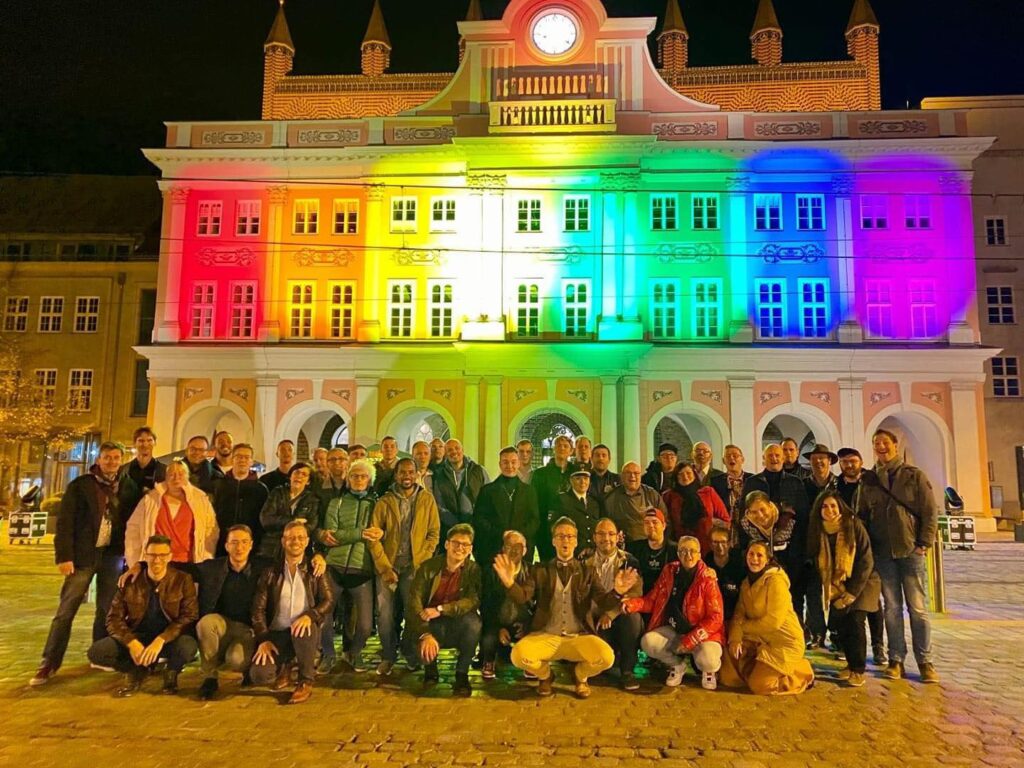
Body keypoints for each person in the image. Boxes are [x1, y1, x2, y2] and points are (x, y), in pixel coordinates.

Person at [30, 442, 139, 686]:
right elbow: (65, 522)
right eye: (107, 457)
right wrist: (64, 556)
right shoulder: (81, 485)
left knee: (107, 608)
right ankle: (49, 661)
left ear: (121, 460)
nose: (111, 462)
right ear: (98, 460)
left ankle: (98, 653)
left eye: (116, 457)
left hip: (112, 555)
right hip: (83, 555)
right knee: (67, 610)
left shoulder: (128, 486)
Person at [495, 517, 634, 699]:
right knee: (518, 655)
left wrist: (617, 592)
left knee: (607, 657)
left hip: (578, 637)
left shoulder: (588, 571)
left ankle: (580, 676)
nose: (565, 540)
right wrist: (510, 583)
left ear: (576, 541)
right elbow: (522, 596)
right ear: (553, 541)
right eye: (560, 536)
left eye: (570, 536)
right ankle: (546, 676)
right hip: (546, 635)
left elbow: (603, 602)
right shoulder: (540, 570)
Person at [856, 428, 939, 684]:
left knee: (918, 608)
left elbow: (930, 511)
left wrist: (923, 543)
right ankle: (896, 660)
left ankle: (925, 661)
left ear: (895, 445)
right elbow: (862, 516)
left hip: (910, 549)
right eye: (876, 443)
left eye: (885, 443)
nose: (881, 447)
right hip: (883, 552)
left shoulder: (914, 475)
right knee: (892, 608)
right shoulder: (869, 480)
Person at [87, 534, 198, 697]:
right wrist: (131, 642)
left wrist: (162, 639)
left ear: (170, 557)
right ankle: (135, 670)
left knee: (188, 647)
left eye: (162, 555)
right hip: (138, 636)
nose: (157, 560)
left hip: (168, 639)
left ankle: (171, 673)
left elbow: (189, 616)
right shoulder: (130, 580)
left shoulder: (182, 579)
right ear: (145, 556)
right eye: (152, 555)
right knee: (97, 652)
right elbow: (113, 618)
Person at [366, 458, 441, 676]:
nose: (406, 476)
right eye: (402, 472)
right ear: (396, 475)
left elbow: (433, 533)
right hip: (388, 566)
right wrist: (384, 568)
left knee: (413, 613)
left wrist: (422, 560)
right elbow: (373, 537)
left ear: (417, 474)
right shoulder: (385, 501)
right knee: (385, 615)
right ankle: (388, 655)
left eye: (410, 472)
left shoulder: (426, 499)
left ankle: (409, 653)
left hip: (414, 567)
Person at [622, 536, 725, 689]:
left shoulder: (707, 578)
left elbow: (716, 618)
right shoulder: (669, 571)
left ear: (699, 554)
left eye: (692, 551)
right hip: (675, 630)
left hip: (702, 635)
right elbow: (653, 600)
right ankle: (677, 665)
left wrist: (691, 639)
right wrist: (631, 604)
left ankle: (709, 672)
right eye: (683, 551)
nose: (688, 555)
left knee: (708, 659)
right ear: (677, 553)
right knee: (649, 642)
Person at [250, 520, 333, 704]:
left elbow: (328, 600)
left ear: (307, 541)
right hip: (278, 632)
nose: (296, 541)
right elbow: (258, 610)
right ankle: (285, 666)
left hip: (306, 631)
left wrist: (310, 615)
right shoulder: (271, 572)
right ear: (283, 541)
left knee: (302, 627)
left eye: (301, 537)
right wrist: (263, 639)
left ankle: (305, 680)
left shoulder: (315, 569)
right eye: (291, 538)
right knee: (259, 675)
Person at [720, 542, 815, 695]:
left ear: (768, 559)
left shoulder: (776, 581)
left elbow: (773, 622)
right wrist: (735, 637)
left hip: (783, 642)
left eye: (759, 555)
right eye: (751, 554)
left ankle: (801, 671)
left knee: (761, 686)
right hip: (759, 638)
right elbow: (739, 613)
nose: (754, 559)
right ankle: (757, 669)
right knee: (728, 675)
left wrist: (743, 627)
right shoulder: (746, 583)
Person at [807, 492, 881, 687]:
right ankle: (850, 663)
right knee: (841, 624)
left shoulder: (853, 525)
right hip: (836, 585)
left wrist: (852, 592)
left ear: (840, 507)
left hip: (863, 582)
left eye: (833, 506)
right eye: (824, 506)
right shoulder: (819, 530)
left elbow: (866, 559)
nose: (829, 510)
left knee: (855, 621)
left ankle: (858, 669)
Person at [195, 524, 270, 700]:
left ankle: (246, 669)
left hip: (248, 629)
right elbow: (183, 568)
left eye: (244, 542)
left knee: (236, 659)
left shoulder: (263, 567)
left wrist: (318, 557)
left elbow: (292, 560)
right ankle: (210, 677)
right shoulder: (213, 567)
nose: (239, 547)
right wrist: (142, 565)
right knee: (206, 623)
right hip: (222, 623)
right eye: (234, 542)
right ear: (227, 546)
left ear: (251, 545)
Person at [407, 523, 482, 695]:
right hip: (430, 621)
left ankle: (462, 674)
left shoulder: (473, 570)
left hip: (455, 620)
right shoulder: (428, 567)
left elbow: (472, 601)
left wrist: (442, 609)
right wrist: (425, 633)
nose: (460, 548)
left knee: (474, 624)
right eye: (456, 543)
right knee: (417, 633)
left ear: (470, 549)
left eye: (465, 545)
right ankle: (430, 670)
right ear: (447, 544)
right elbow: (414, 601)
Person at [318, 459, 378, 673]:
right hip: (334, 566)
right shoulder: (337, 503)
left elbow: (378, 533)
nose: (359, 479)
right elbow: (332, 535)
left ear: (370, 480)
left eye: (363, 476)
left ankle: (353, 652)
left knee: (365, 624)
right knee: (324, 615)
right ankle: (328, 654)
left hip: (362, 568)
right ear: (348, 479)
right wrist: (361, 533)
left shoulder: (376, 505)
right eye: (354, 476)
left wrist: (353, 535)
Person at [123, 460, 219, 581]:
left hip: (188, 563)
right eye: (171, 474)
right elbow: (133, 530)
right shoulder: (150, 500)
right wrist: (135, 561)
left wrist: (205, 558)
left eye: (181, 474)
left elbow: (211, 531)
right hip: (157, 563)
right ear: (166, 477)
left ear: (188, 476)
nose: (176, 477)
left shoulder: (201, 500)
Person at [836, 446, 887, 665]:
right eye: (845, 462)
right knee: (845, 597)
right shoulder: (836, 485)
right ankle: (846, 644)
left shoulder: (871, 483)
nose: (849, 465)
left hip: (871, 545)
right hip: (846, 548)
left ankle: (878, 645)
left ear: (861, 462)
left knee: (873, 600)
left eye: (853, 461)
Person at [583, 518, 643, 690]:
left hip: (619, 613)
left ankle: (627, 671)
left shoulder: (629, 561)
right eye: (601, 534)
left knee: (633, 617)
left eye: (611, 534)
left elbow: (635, 593)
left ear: (618, 537)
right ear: (594, 537)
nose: (606, 538)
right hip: (594, 615)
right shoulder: (584, 560)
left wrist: (610, 613)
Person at [799, 444, 839, 648]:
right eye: (814, 459)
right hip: (812, 544)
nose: (818, 462)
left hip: (835, 544)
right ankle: (817, 633)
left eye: (822, 458)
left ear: (829, 461)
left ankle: (836, 633)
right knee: (813, 591)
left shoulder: (838, 484)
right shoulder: (803, 485)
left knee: (837, 590)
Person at [479, 530, 533, 680]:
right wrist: (498, 627)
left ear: (525, 550)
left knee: (535, 634)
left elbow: (534, 602)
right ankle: (488, 661)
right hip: (497, 621)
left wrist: (528, 624)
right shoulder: (490, 571)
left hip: (521, 621)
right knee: (488, 636)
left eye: (518, 546)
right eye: (509, 546)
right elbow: (485, 605)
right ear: (503, 549)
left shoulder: (531, 571)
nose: (514, 550)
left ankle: (530, 661)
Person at [473, 447, 539, 565]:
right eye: (505, 462)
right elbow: (479, 519)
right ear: (500, 464)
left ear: (518, 463)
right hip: (493, 548)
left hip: (521, 548)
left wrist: (517, 536)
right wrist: (502, 534)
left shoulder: (529, 491)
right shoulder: (487, 491)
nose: (510, 466)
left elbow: (534, 520)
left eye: (513, 462)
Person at [212, 443, 269, 555]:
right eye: (239, 456)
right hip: (222, 543)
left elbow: (263, 519)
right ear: (232, 459)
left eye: (246, 457)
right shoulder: (219, 486)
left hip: (250, 545)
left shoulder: (261, 489)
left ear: (251, 461)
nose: (242, 460)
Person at [663, 462, 730, 554]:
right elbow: (666, 522)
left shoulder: (708, 492)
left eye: (688, 473)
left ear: (694, 475)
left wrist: (710, 521)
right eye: (680, 474)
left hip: (708, 545)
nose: (685, 477)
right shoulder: (669, 496)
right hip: (682, 547)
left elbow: (726, 520)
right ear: (676, 477)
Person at [257, 462, 320, 560]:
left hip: (298, 547)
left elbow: (311, 525)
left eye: (304, 474)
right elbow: (266, 519)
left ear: (308, 481)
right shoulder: (277, 493)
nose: (299, 476)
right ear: (290, 476)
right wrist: (293, 521)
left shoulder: (312, 500)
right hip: (272, 547)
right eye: (296, 472)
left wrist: (293, 532)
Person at [434, 438, 489, 543]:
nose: (454, 452)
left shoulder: (479, 471)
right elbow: (439, 504)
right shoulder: (440, 475)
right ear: (445, 453)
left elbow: (488, 498)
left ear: (462, 450)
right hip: (451, 529)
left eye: (457, 448)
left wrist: (478, 520)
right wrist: (456, 524)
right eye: (450, 450)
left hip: (477, 526)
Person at [530, 435, 577, 557]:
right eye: (559, 445)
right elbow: (534, 502)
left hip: (571, 528)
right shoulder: (540, 474)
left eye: (565, 446)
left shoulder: (576, 473)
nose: (562, 448)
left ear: (571, 450)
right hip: (546, 528)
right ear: (553, 449)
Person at [605, 462, 667, 542]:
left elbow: (664, 520)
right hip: (622, 544)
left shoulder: (652, 494)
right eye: (628, 473)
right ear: (622, 476)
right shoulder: (611, 497)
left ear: (640, 476)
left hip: (648, 543)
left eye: (636, 473)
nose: (632, 476)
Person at [625, 508, 677, 595]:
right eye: (647, 523)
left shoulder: (675, 550)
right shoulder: (634, 548)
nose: (651, 525)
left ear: (663, 526)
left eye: (654, 522)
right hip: (641, 597)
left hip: (667, 597)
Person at [553, 469, 603, 556]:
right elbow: (556, 529)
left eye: (585, 478)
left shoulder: (594, 502)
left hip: (593, 554)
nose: (582, 482)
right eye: (578, 478)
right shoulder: (562, 500)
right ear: (571, 480)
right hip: (572, 554)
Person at [120, 426, 167, 515]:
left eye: (149, 440)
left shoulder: (164, 470)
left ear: (155, 443)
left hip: (152, 516)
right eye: (141, 441)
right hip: (127, 517)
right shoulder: (124, 470)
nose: (145, 444)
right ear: (134, 443)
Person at [704, 526, 745, 620]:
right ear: (710, 544)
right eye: (715, 542)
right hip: (712, 615)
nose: (720, 546)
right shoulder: (705, 565)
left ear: (729, 543)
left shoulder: (740, 564)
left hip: (736, 615)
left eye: (723, 542)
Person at [710, 444, 752, 519]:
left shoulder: (753, 479)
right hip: (724, 522)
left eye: (735, 456)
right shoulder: (715, 482)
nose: (731, 458)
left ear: (742, 459)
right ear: (723, 461)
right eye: (728, 456)